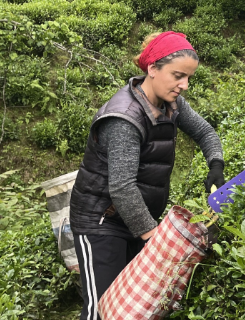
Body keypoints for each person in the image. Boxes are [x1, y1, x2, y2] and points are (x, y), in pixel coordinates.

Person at [68, 31, 225, 320]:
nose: (184, 85)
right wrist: (153, 236)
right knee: (101, 309)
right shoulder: (124, 118)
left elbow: (205, 131)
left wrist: (216, 164)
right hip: (100, 221)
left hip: (137, 219)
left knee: (132, 302)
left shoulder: (172, 103)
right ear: (152, 69)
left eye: (189, 78)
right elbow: (122, 187)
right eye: (178, 75)